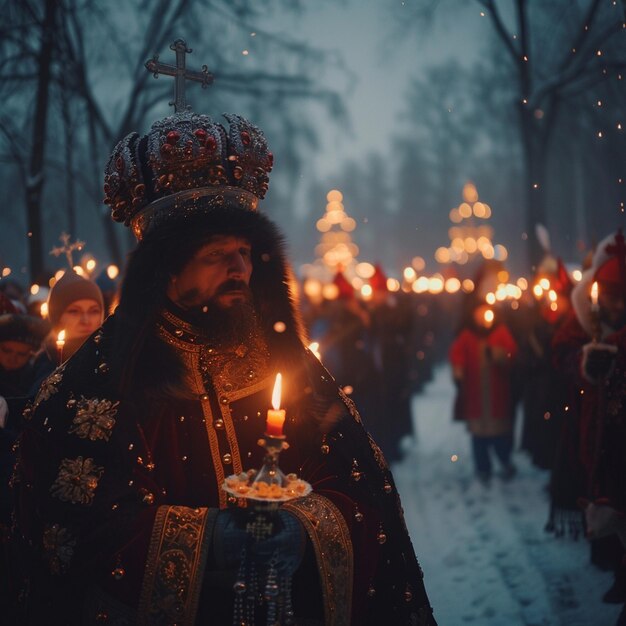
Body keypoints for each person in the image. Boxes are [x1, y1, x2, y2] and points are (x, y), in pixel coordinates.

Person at [12, 88, 436, 623]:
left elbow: (360, 489)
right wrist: (215, 539)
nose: (238, 268)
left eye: (244, 253)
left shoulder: (292, 365)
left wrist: (305, 530)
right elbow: (82, 529)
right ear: (166, 271)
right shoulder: (97, 383)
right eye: (216, 256)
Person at [449, 299, 518, 484]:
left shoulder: (500, 332)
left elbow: (511, 353)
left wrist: (496, 354)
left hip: (497, 395)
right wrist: (459, 371)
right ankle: (483, 468)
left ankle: (505, 462)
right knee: (478, 438)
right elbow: (457, 354)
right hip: (476, 395)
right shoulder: (467, 335)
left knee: (499, 436)